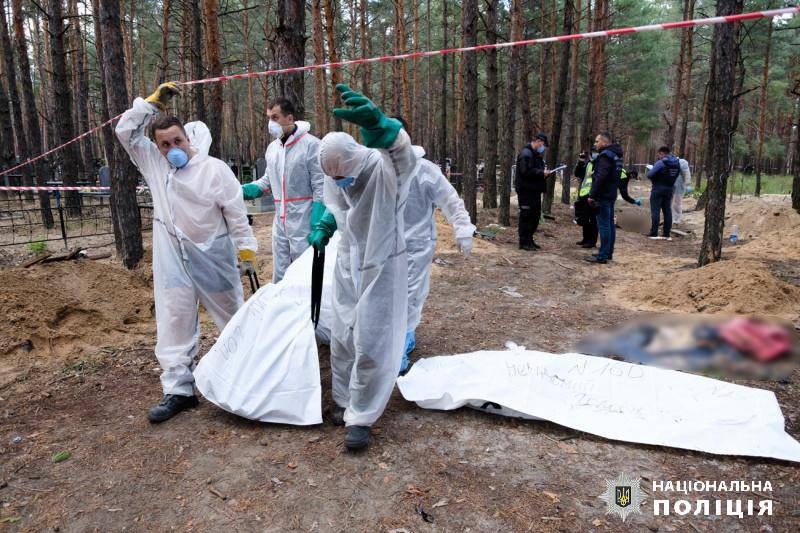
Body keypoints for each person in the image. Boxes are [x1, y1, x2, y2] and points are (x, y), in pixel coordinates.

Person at [115, 82, 258, 422]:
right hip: (173, 262)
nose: (172, 148)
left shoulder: (215, 170)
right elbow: (125, 131)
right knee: (174, 322)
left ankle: (247, 379)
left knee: (233, 319)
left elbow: (237, 216)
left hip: (214, 258)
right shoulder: (154, 164)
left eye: (177, 141)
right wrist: (150, 105)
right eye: (164, 144)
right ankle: (179, 391)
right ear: (158, 147)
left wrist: (247, 252)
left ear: (188, 139)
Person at [307, 84, 417, 452]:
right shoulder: (335, 175)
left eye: (342, 173)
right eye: (332, 175)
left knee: (371, 340)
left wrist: (381, 128)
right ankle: (342, 399)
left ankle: (361, 417)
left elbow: (403, 158)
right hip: (348, 260)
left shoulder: (381, 167)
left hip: (383, 264)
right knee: (341, 335)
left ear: (356, 157)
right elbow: (333, 201)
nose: (340, 181)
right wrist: (324, 225)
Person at [392, 117, 475, 374]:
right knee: (387, 294)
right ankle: (391, 337)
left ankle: (401, 341)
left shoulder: (423, 169)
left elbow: (450, 199)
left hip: (417, 243)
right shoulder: (378, 166)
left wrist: (462, 229)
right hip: (384, 244)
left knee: (409, 293)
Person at [241, 97, 326, 282]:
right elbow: (268, 181)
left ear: (289, 118)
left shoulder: (311, 145)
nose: (271, 123)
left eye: (275, 117)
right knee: (280, 273)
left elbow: (321, 186)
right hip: (280, 222)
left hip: (304, 220)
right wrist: (241, 191)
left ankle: (306, 310)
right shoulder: (273, 148)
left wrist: (318, 222)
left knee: (305, 273)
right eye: (269, 118)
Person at [584, 131, 623, 264]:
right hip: (611, 193)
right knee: (609, 225)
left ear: (604, 142)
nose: (595, 144)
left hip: (603, 195)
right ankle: (608, 252)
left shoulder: (605, 156)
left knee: (604, 225)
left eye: (597, 141)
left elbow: (601, 177)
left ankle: (602, 255)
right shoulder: (615, 155)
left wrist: (592, 194)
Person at [515, 133, 551, 250]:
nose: (543, 148)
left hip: (534, 191)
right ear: (538, 141)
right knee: (526, 216)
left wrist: (544, 173)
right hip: (526, 191)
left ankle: (530, 240)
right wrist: (541, 173)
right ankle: (524, 242)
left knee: (534, 217)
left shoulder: (536, 155)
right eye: (543, 144)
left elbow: (535, 170)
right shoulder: (526, 154)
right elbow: (525, 171)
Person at [646, 146, 681, 239]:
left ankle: (654, 233)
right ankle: (666, 234)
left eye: (658, 154)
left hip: (658, 188)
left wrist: (653, 172)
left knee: (655, 210)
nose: (658, 156)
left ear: (662, 153)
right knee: (667, 210)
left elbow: (649, 175)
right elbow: (677, 174)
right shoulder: (677, 163)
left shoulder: (661, 162)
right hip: (669, 189)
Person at [671, 157, 692, 224]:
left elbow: (687, 174)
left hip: (679, 186)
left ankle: (677, 219)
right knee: (670, 203)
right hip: (671, 186)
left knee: (677, 203)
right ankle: (671, 218)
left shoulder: (682, 163)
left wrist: (687, 183)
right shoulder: (668, 162)